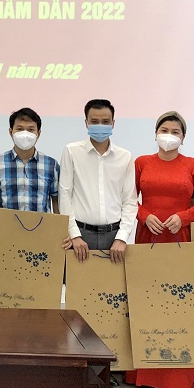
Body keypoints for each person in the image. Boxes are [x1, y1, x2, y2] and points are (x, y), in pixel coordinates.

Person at [125, 110, 194, 388]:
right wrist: (144, 215)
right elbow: (128, 199)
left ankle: (176, 375)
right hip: (147, 238)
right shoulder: (141, 163)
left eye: (175, 132)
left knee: (179, 304)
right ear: (155, 134)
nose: (169, 136)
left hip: (180, 240)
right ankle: (141, 371)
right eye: (164, 130)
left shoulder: (192, 165)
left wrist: (185, 216)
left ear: (183, 138)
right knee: (146, 302)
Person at [59, 99, 136, 264]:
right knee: (77, 281)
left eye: (105, 122)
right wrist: (74, 235)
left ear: (113, 123)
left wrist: (122, 238)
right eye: (94, 121)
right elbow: (64, 195)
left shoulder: (125, 157)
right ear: (86, 123)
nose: (100, 125)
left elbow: (129, 201)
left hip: (114, 237)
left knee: (113, 282)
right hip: (80, 236)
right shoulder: (72, 151)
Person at [0, 107, 59, 213]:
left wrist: (59, 223)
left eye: (30, 130)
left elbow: (56, 200)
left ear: (38, 133)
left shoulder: (51, 165)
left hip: (41, 223)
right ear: (11, 132)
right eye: (19, 129)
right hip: (7, 223)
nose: (25, 134)